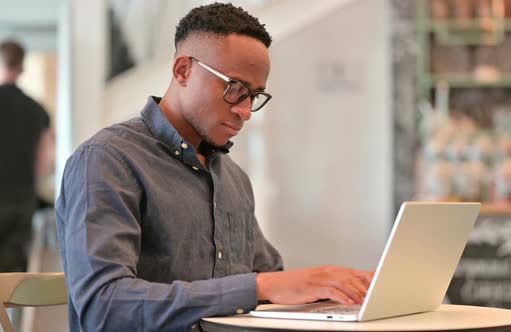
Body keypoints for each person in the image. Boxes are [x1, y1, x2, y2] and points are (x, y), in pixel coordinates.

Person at [56, 3, 374, 331]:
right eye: (235, 89)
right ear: (183, 70)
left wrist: (333, 290)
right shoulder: (108, 160)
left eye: (254, 96)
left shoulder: (233, 178)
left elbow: (272, 282)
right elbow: (102, 307)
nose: (246, 111)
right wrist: (260, 287)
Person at [0, 39, 52, 272]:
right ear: (21, 68)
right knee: (13, 276)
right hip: (22, 200)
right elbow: (43, 163)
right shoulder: (37, 110)